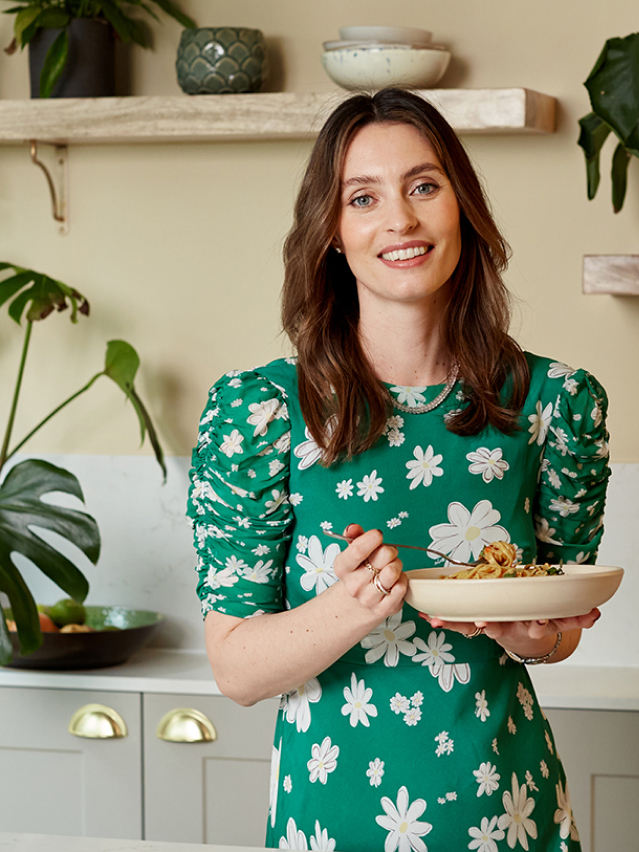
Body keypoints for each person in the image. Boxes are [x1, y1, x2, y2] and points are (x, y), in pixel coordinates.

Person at [187, 87, 610, 851]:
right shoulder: (261, 414)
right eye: (363, 197)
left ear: (462, 208)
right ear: (331, 235)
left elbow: (557, 630)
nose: (401, 220)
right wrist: (351, 607)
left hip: (509, 816)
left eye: (424, 186)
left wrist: (532, 632)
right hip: (331, 824)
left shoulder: (553, 403)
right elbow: (235, 670)